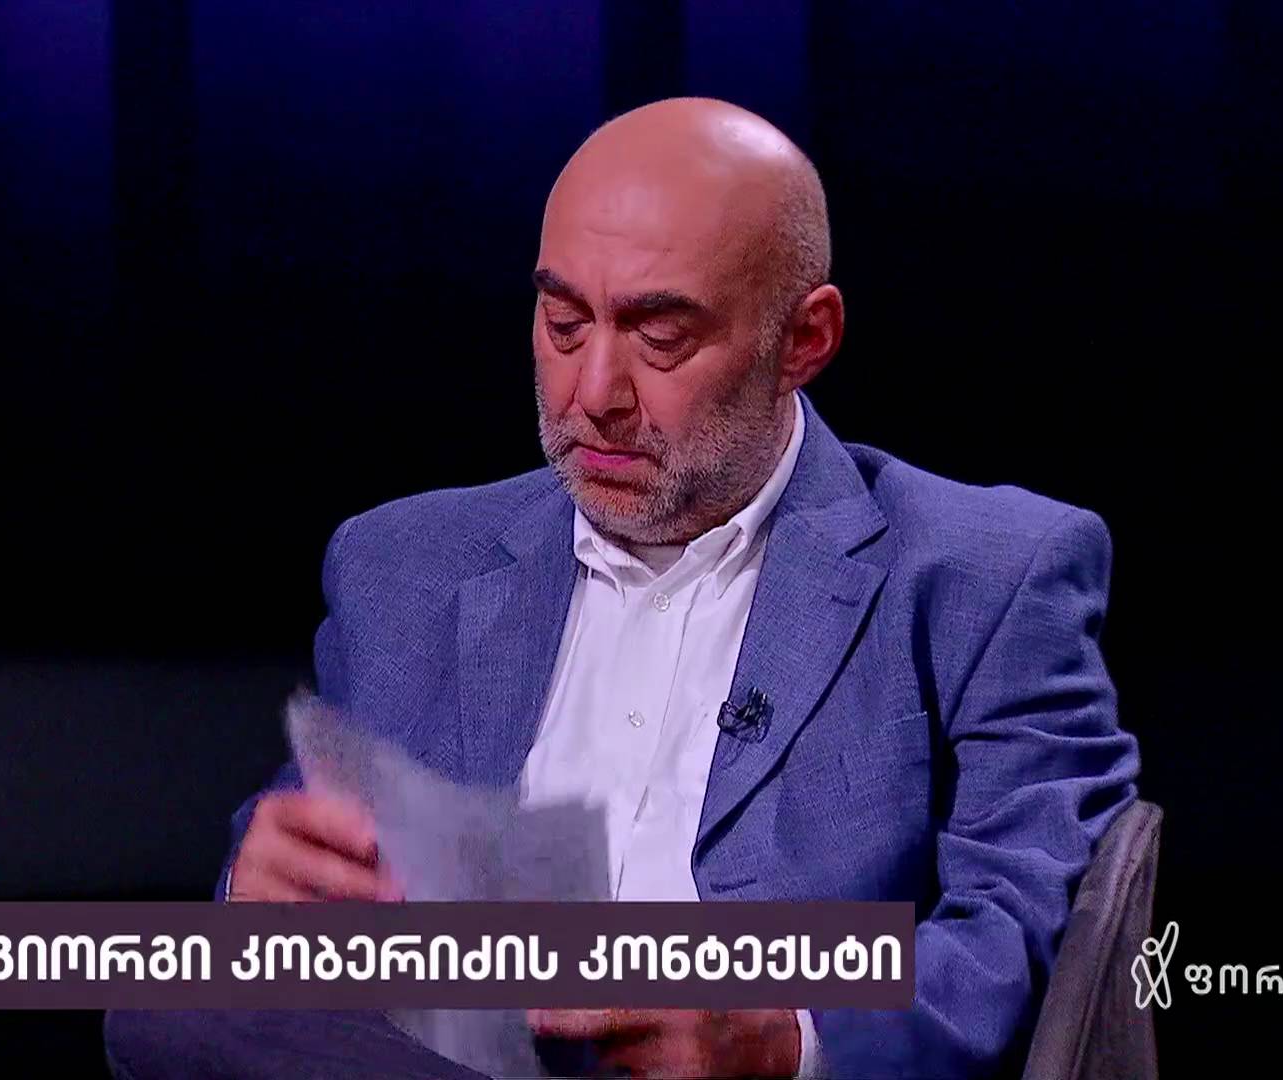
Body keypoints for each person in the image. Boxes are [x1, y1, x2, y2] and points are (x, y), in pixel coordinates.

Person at [106, 97, 1140, 1079]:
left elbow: (1028, 932)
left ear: (805, 340)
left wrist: (783, 1036)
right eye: (563, 324)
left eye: (660, 336)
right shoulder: (403, 568)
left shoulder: (984, 575)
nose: (593, 394)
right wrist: (260, 892)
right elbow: (303, 890)